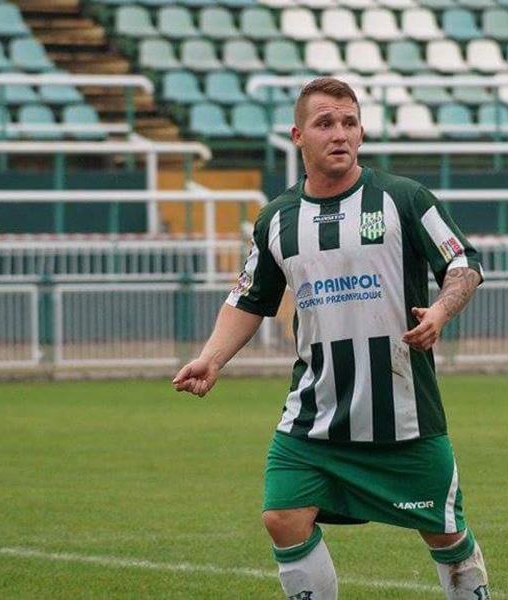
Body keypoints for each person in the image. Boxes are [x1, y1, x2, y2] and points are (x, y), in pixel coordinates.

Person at [173, 77, 489, 600]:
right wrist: (212, 358)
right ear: (298, 136)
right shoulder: (277, 219)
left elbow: (463, 264)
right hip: (314, 418)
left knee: (445, 533)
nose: (339, 133)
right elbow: (249, 298)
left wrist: (441, 309)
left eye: (349, 123)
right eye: (325, 123)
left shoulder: (404, 199)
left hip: (403, 416)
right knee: (282, 516)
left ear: (361, 133)